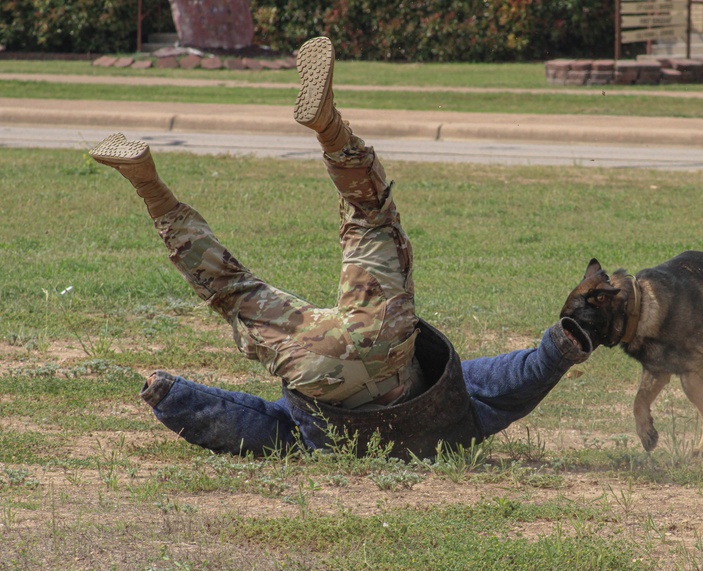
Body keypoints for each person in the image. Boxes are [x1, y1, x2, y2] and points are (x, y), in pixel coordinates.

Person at [89, 36, 592, 459]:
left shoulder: (464, 421)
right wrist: (172, 396)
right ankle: (149, 187)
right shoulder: (361, 440)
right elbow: (256, 426)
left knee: (370, 217)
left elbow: (503, 383)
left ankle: (329, 126)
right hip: (314, 367)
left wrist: (555, 352)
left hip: (384, 338)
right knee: (228, 290)